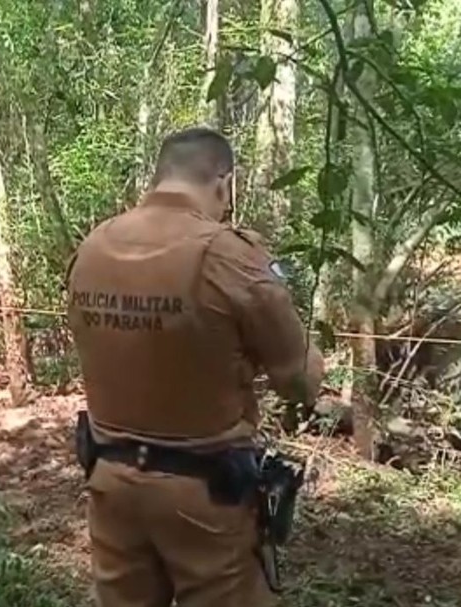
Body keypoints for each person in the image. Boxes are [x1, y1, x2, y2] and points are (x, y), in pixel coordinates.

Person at [66, 127, 325, 607]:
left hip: (110, 483)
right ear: (224, 184)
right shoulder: (230, 256)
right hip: (206, 496)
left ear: (160, 175)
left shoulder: (93, 247)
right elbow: (298, 382)